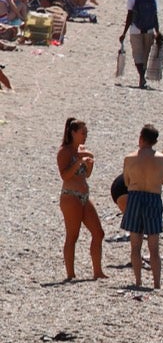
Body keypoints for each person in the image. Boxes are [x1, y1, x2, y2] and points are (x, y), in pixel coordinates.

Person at [121, 124, 163, 289]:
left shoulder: (129, 158)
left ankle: (138, 281)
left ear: (141, 138)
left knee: (135, 246)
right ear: (155, 141)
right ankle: (156, 283)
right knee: (154, 247)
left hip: (135, 197)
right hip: (153, 197)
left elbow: (126, 181)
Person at [57, 118, 107, 280]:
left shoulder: (84, 151)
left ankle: (98, 271)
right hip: (70, 196)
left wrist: (89, 164)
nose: (85, 136)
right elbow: (65, 175)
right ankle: (70, 274)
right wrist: (79, 162)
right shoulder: (64, 152)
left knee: (98, 233)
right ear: (72, 133)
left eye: (86, 133)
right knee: (73, 236)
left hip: (84, 196)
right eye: (82, 133)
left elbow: (87, 175)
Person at [120, 0, 161, 89]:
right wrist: (157, 32)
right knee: (146, 54)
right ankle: (142, 77)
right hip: (149, 29)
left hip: (135, 29)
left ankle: (141, 77)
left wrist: (124, 33)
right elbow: (155, 16)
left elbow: (129, 15)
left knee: (137, 54)